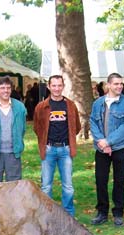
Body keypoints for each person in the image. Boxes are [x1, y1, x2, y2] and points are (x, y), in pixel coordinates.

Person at [89, 73, 124, 227]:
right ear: (108, 85)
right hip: (101, 149)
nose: (119, 86)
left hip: (120, 148)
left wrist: (108, 141)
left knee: (119, 181)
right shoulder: (98, 103)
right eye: (116, 84)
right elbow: (93, 122)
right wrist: (102, 142)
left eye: (121, 84)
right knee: (101, 181)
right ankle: (102, 212)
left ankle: (118, 213)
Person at [33, 75, 82, 216]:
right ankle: (47, 215)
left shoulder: (70, 105)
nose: (56, 88)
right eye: (53, 85)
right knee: (46, 185)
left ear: (63, 86)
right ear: (48, 86)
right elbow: (37, 127)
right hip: (48, 149)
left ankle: (68, 214)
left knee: (68, 186)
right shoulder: (41, 107)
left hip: (66, 149)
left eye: (59, 85)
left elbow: (76, 127)